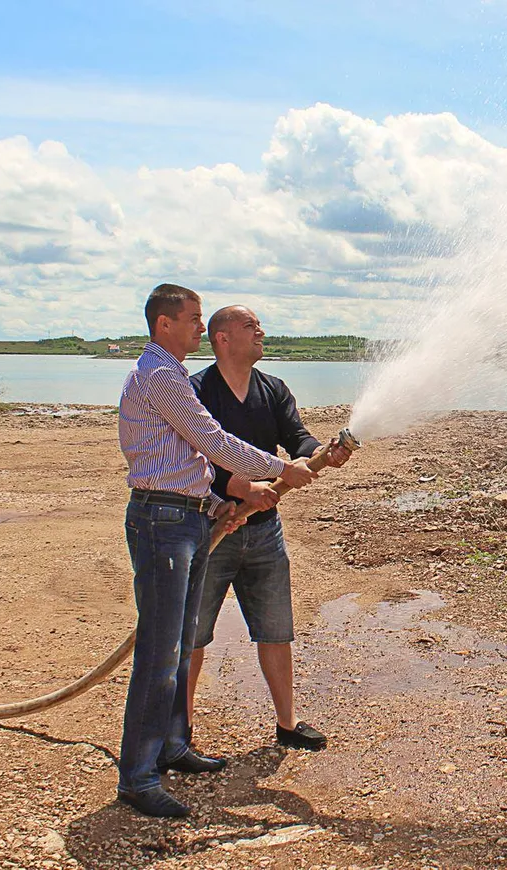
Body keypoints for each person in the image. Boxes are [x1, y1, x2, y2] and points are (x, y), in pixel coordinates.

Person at [116, 284, 318, 818]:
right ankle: (138, 777)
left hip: (185, 515)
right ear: (164, 325)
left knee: (179, 644)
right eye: (191, 320)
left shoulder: (174, 375)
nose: (198, 330)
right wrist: (280, 469)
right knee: (159, 654)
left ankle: (175, 748)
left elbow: (203, 456)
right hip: (163, 519)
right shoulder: (162, 377)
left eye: (203, 321)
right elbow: (216, 442)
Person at [185, 305, 351, 752]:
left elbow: (297, 438)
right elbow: (198, 459)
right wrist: (240, 489)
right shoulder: (196, 391)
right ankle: (179, 732)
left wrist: (322, 451)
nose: (260, 331)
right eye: (249, 326)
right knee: (193, 634)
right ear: (221, 339)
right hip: (211, 529)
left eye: (259, 325)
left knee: (276, 628)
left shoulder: (273, 389)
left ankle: (287, 723)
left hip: (264, 530)